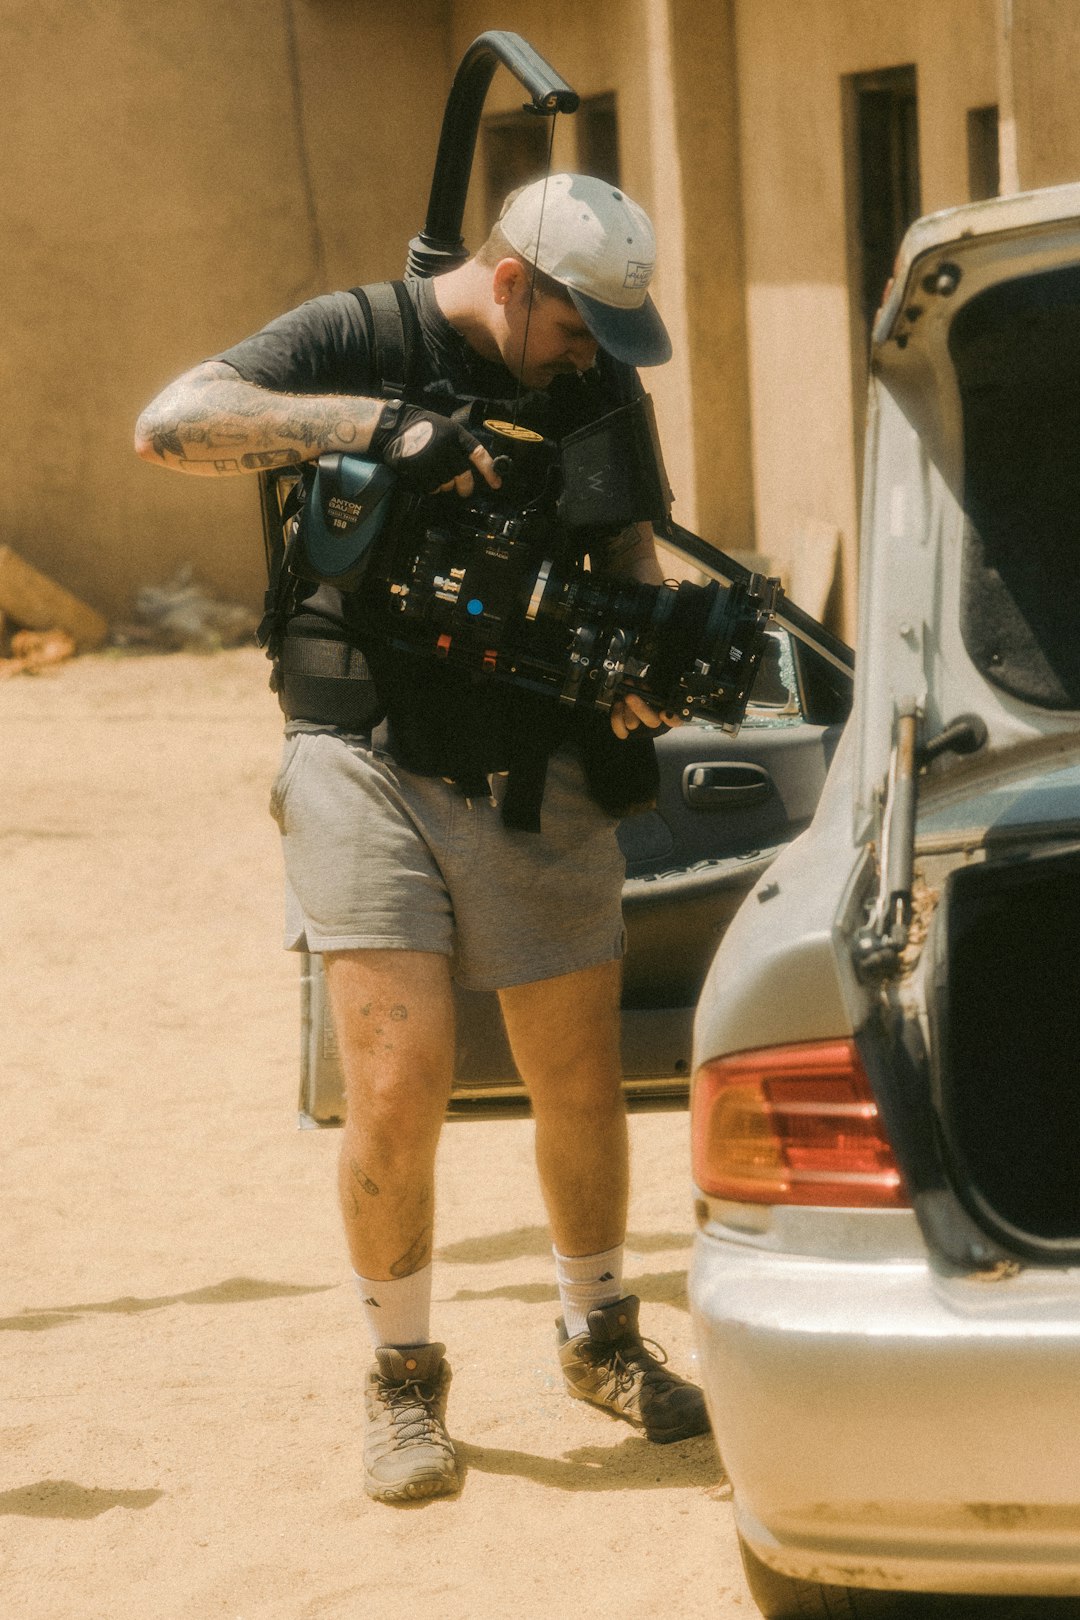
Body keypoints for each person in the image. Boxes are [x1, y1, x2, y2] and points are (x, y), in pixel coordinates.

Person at [135, 172, 710, 1504]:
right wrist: (377, 427)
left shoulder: (599, 383)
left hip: (537, 754)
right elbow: (170, 423)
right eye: (573, 329)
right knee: (400, 1085)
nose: (589, 361)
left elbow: (629, 552)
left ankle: (601, 1334)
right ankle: (404, 1381)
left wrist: (645, 660)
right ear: (513, 282)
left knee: (578, 1069)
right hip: (359, 751)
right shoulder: (357, 336)